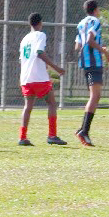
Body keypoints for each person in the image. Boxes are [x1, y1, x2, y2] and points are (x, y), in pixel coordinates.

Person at [17, 13, 66, 146]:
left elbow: (23, 60)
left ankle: (22, 137)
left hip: (25, 77)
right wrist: (56, 68)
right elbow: (39, 52)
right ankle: (52, 135)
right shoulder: (41, 35)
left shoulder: (25, 39)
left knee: (28, 107)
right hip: (38, 77)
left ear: (30, 24)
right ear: (40, 23)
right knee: (52, 103)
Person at [74, 0, 109, 147]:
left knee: (94, 96)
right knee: (95, 96)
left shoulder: (81, 23)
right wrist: (104, 51)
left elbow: (77, 46)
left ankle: (82, 129)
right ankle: (84, 131)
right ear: (96, 10)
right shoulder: (95, 21)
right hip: (94, 62)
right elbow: (90, 40)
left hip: (84, 62)